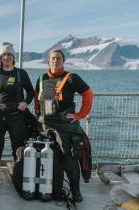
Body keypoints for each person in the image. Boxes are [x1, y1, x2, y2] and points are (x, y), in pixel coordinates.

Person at [34, 49, 94, 202]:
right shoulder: (41, 78)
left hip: (65, 127)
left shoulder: (72, 78)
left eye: (59, 58)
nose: (55, 61)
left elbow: (88, 94)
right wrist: (38, 114)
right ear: (48, 61)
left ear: (63, 61)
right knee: (50, 159)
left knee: (69, 160)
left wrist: (80, 115)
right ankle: (55, 189)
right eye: (53, 58)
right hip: (46, 126)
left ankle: (75, 191)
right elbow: (36, 98)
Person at [0, 42, 35, 191]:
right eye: (4, 55)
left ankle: (20, 178)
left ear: (13, 57)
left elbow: (31, 92)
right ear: (0, 57)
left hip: (16, 116)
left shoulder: (20, 73)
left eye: (9, 55)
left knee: (18, 147)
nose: (6, 57)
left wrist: (25, 102)